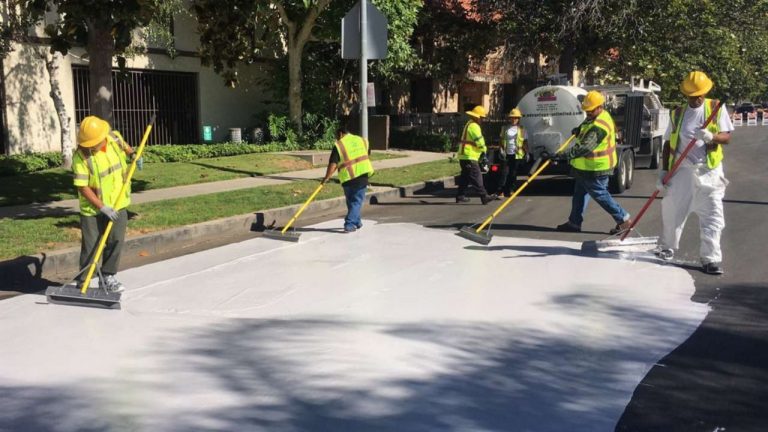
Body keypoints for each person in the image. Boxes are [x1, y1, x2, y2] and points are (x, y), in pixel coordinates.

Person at [656, 71, 733, 275]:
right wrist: (664, 171)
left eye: (698, 95)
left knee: (712, 215)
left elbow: (726, 137)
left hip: (708, 171)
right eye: (691, 96)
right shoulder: (677, 113)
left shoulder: (715, 108)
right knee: (673, 209)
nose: (695, 99)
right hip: (681, 170)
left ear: (705, 92)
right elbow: (668, 143)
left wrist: (711, 136)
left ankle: (710, 259)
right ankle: (667, 247)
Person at [72, 115, 141, 293]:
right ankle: (84, 281)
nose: (90, 146)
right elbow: (82, 187)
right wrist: (101, 206)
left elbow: (126, 148)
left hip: (118, 202)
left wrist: (133, 155)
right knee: (91, 246)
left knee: (115, 240)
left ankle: (108, 276)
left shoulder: (114, 138)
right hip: (92, 209)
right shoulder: (81, 157)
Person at [555, 90, 632, 234]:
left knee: (600, 195)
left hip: (596, 168)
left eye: (590, 110)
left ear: (599, 107)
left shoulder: (599, 126)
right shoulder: (596, 116)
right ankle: (574, 222)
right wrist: (578, 130)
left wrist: (563, 155)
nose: (588, 112)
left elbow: (585, 147)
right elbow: (586, 125)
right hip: (586, 167)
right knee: (580, 193)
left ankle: (623, 220)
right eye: (586, 110)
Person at [322, 125, 374, 233]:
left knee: (352, 201)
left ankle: (353, 222)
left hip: (347, 178)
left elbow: (333, 163)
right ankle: (352, 222)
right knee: (356, 202)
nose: (337, 138)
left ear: (341, 133)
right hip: (361, 175)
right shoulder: (362, 140)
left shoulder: (339, 145)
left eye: (337, 136)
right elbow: (367, 153)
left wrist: (327, 177)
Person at [456, 105, 497, 204]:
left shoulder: (469, 124)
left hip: (464, 156)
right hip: (469, 156)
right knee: (477, 177)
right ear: (477, 117)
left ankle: (460, 195)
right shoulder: (474, 126)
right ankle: (484, 196)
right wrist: (484, 150)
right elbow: (480, 141)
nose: (482, 120)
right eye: (481, 118)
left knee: (465, 177)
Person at [497, 107, 528, 197]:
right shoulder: (504, 128)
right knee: (504, 173)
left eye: (516, 118)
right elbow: (501, 140)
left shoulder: (522, 129)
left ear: (518, 119)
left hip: (517, 155)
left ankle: (511, 190)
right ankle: (501, 191)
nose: (514, 119)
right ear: (510, 118)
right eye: (512, 118)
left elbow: (525, 142)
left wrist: (527, 152)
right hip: (506, 154)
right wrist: (501, 149)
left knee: (513, 174)